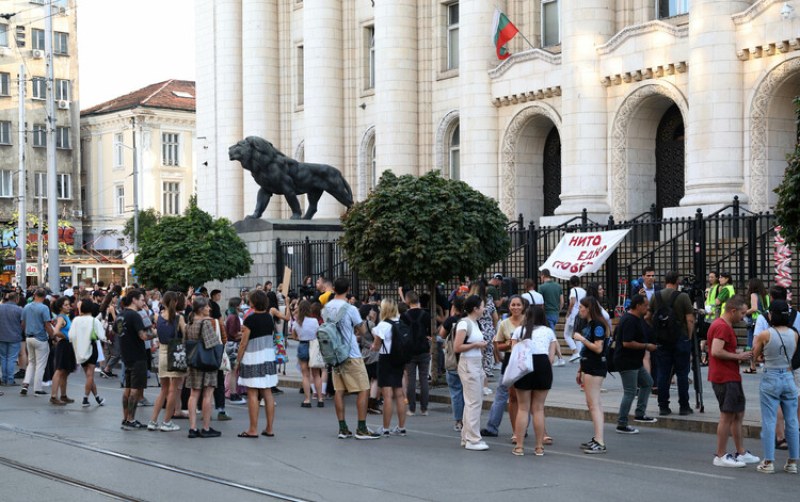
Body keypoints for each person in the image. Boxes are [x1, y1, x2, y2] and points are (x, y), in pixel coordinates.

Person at [323, 277, 380, 439]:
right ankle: (361, 428)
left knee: (339, 391)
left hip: (334, 354)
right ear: (348, 290)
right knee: (364, 389)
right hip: (351, 354)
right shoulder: (350, 308)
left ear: (334, 289)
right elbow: (362, 331)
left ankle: (342, 428)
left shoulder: (326, 307)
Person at [707, 295, 760, 467]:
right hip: (724, 377)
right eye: (742, 313)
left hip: (729, 375)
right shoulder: (722, 327)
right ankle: (721, 455)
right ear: (733, 310)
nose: (743, 317)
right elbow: (716, 351)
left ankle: (741, 452)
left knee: (737, 414)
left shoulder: (722, 325)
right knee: (727, 415)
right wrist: (739, 356)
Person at [752, 300, 799, 473]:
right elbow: (791, 356)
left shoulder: (766, 334)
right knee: (792, 421)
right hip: (788, 376)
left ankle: (769, 461)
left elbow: (755, 356)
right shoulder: (794, 334)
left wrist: (757, 359)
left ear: (772, 314)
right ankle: (793, 462)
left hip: (771, 375)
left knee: (769, 420)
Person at [511, 305, 557, 456]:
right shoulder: (549, 332)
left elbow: (514, 354)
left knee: (523, 408)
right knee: (538, 408)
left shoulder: (519, 331)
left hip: (524, 366)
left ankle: (519, 446)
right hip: (542, 365)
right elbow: (551, 358)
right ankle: (539, 447)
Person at [649, 271, 695, 416]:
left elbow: (649, 316)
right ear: (677, 281)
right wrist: (689, 335)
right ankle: (684, 406)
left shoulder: (656, 297)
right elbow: (690, 319)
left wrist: (656, 331)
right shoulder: (683, 297)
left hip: (662, 340)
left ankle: (663, 406)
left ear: (665, 281)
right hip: (680, 339)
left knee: (663, 373)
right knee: (682, 373)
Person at [482, 294, 526, 439]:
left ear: (523, 306)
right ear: (509, 307)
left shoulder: (528, 322)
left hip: (525, 362)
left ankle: (522, 428)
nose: (516, 307)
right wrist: (507, 344)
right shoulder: (504, 323)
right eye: (513, 305)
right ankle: (492, 427)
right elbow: (497, 344)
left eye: (518, 304)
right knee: (502, 394)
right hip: (509, 362)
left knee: (524, 397)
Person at [236, 290, 277, 438]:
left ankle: (253, 429)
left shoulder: (250, 320)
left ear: (253, 302)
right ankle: (269, 428)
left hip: (253, 357)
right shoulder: (269, 318)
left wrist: (237, 361)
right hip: (268, 356)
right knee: (268, 392)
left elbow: (243, 343)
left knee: (252, 392)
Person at [615, 294, 657, 434]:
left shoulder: (636, 319)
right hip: (627, 361)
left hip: (635, 361)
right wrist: (646, 346)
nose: (647, 308)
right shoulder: (629, 320)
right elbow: (626, 342)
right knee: (630, 391)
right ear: (638, 306)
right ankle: (622, 423)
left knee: (647, 382)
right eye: (645, 305)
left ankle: (640, 413)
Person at [574, 297, 610, 454]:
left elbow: (597, 348)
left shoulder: (598, 325)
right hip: (589, 365)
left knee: (594, 404)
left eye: (581, 307)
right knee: (593, 404)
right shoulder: (590, 324)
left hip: (595, 367)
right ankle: (597, 438)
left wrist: (581, 338)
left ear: (589, 308)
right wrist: (580, 369)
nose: (579, 309)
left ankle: (600, 441)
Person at [454, 294, 490, 451]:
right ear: (475, 308)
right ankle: (472, 439)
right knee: (473, 402)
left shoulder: (473, 323)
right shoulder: (465, 323)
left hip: (475, 363)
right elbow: (457, 347)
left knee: (473, 401)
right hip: (469, 363)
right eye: (482, 306)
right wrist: (476, 344)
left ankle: (467, 437)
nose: (484, 309)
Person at [147, 292, 186, 432]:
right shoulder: (179, 318)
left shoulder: (159, 317)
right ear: (175, 302)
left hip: (162, 354)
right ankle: (167, 422)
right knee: (173, 390)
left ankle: (153, 420)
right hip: (175, 353)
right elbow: (186, 336)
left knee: (163, 390)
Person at [184, 295, 223, 438]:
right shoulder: (205, 323)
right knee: (207, 395)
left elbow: (185, 342)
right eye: (207, 306)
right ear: (201, 309)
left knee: (193, 395)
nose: (209, 308)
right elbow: (211, 342)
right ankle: (206, 428)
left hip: (194, 362)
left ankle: (192, 428)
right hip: (207, 362)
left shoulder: (189, 323)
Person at [118, 290, 154, 430]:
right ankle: (131, 419)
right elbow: (144, 336)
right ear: (134, 300)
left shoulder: (121, 315)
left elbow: (118, 331)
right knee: (135, 389)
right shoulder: (135, 315)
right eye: (141, 300)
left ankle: (125, 418)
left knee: (127, 387)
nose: (143, 303)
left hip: (126, 355)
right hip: (138, 356)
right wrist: (154, 333)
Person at [371, 298, 408, 436]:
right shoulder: (400, 322)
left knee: (387, 394)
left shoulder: (383, 325)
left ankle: (385, 428)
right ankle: (401, 427)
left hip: (386, 359)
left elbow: (376, 346)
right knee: (399, 393)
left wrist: (372, 346)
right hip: (399, 359)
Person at [68, 299, 107, 407]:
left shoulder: (76, 320)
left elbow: (71, 336)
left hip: (80, 349)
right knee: (90, 375)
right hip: (91, 347)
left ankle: (97, 398)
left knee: (88, 376)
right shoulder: (94, 321)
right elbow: (102, 336)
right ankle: (85, 398)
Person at [20, 288, 54, 397]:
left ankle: (25, 384)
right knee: (40, 365)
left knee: (31, 362)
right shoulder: (44, 308)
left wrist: (26, 333)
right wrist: (53, 336)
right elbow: (47, 325)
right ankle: (37, 388)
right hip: (41, 338)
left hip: (29, 337)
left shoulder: (26, 307)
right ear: (44, 297)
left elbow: (23, 323)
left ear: (34, 295)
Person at [402, 290, 431, 416]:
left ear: (407, 301)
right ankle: (424, 408)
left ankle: (411, 408)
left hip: (409, 350)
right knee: (424, 378)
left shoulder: (404, 316)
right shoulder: (425, 314)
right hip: (423, 348)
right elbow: (430, 331)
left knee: (411, 379)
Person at [292, 299, 323, 408]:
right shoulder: (314, 321)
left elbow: (294, 336)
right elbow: (318, 333)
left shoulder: (296, 322)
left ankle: (307, 399)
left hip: (303, 345)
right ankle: (320, 399)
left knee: (305, 375)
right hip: (313, 346)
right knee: (316, 375)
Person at [442, 296, 465, 432]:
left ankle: (458, 421)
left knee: (456, 393)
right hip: (468, 362)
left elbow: (442, 334)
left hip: (453, 362)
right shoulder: (471, 321)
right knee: (468, 393)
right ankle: (468, 420)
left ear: (454, 307)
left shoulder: (451, 321)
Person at [50, 296, 76, 406]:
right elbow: (55, 332)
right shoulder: (61, 317)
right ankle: (53, 396)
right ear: (61, 307)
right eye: (66, 305)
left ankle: (63, 395)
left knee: (65, 371)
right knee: (60, 370)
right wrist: (65, 336)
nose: (68, 307)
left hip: (68, 345)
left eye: (69, 304)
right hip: (64, 345)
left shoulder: (65, 316)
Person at [744, 278, 770, 374]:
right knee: (765, 344)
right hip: (766, 321)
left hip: (755, 322)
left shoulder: (753, 295)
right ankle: (766, 365)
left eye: (749, 285)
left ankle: (752, 366)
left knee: (752, 344)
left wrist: (745, 313)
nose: (747, 286)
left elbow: (754, 308)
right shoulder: (766, 296)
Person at [224, 297, 246, 405]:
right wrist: (244, 334)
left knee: (234, 370)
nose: (242, 306)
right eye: (241, 304)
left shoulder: (231, 316)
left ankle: (234, 392)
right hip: (233, 345)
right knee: (233, 370)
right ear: (237, 305)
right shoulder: (233, 317)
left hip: (231, 344)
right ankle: (233, 393)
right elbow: (233, 333)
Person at [0, 292, 23, 386]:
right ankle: (10, 379)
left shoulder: (0, 307)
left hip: (1, 336)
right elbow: (23, 323)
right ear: (16, 299)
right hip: (15, 336)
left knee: (3, 358)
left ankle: (4, 378)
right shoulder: (19, 310)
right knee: (11, 358)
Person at [564, 275, 586, 363]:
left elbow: (572, 302)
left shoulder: (573, 290)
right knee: (578, 334)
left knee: (567, 334)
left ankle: (575, 352)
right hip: (581, 313)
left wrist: (568, 313)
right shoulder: (584, 291)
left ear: (571, 283)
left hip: (573, 314)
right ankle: (579, 354)